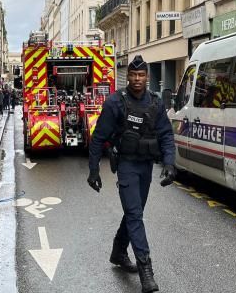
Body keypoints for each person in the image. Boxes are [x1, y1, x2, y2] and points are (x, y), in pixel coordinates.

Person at [87, 55, 177, 293]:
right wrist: (94, 170)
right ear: (128, 76)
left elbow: (166, 135)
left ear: (146, 77)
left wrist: (169, 163)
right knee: (135, 214)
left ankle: (118, 252)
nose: (137, 79)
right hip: (126, 165)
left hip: (145, 166)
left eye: (141, 75)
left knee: (133, 212)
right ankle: (146, 271)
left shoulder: (156, 103)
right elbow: (98, 138)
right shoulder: (115, 102)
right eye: (133, 75)